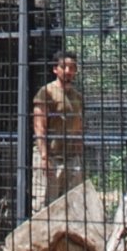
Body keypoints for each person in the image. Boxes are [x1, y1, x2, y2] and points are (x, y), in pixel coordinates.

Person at [33, 52, 87, 203]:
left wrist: (79, 151)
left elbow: (79, 124)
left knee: (73, 205)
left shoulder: (77, 96)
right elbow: (39, 126)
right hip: (51, 158)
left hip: (72, 159)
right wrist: (44, 156)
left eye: (72, 67)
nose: (68, 71)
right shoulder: (46, 92)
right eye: (64, 67)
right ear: (55, 69)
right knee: (46, 207)